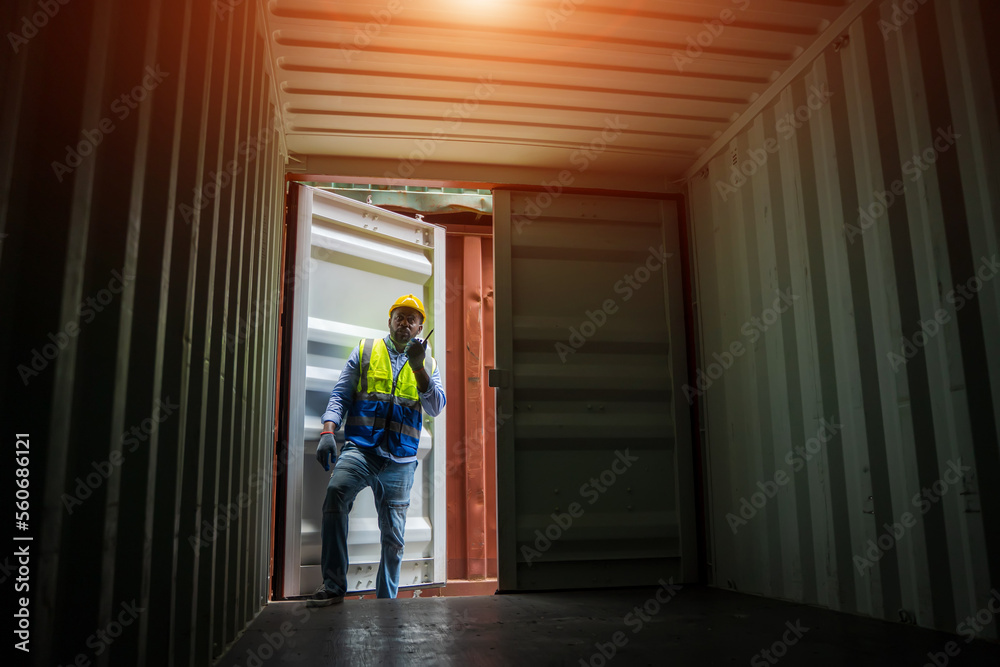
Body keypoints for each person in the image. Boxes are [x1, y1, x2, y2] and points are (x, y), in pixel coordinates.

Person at [308, 294, 446, 605]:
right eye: (400, 316)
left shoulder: (429, 363)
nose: (405, 323)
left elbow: (436, 407)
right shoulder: (366, 350)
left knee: (394, 538)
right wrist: (329, 430)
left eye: (412, 319)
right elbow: (340, 395)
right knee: (335, 497)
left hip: (400, 459)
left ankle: (386, 602)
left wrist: (419, 367)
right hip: (361, 450)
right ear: (390, 320)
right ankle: (333, 587)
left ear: (420, 328)